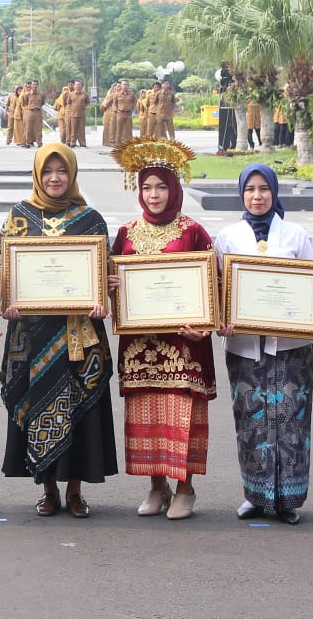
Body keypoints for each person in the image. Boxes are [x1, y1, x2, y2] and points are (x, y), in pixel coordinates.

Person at [0, 143, 117, 519]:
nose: (54, 178)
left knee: (78, 410)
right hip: (32, 335)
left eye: (61, 171)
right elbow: (5, 273)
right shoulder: (18, 217)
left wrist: (102, 299)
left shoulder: (90, 219)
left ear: (72, 174)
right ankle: (48, 489)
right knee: (37, 406)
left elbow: (105, 270)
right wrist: (8, 300)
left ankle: (76, 491)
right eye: (47, 171)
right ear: (37, 174)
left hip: (77, 335)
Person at [213, 163, 313, 525]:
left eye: (264, 188)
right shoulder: (227, 237)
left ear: (274, 192)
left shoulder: (295, 235)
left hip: (291, 348)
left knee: (291, 421)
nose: (258, 196)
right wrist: (222, 319)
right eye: (250, 189)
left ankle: (289, 499)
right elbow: (216, 289)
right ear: (241, 194)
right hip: (245, 347)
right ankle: (255, 496)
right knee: (251, 421)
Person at [109, 137, 217, 521]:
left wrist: (203, 325)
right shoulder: (125, 233)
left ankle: (185, 487)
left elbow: (212, 286)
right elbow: (111, 281)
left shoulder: (194, 232)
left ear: (175, 190)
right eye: (146, 187)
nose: (153, 195)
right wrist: (110, 286)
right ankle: (157, 486)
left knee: (180, 414)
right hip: (140, 346)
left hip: (183, 346)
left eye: (161, 187)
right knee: (147, 415)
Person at [19, 80, 45, 147]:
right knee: (28, 128)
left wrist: (37, 107)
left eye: (36, 84)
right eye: (33, 84)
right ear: (31, 85)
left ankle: (39, 142)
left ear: (37, 85)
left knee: (38, 128)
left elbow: (42, 103)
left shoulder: (41, 94)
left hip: (38, 112)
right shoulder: (27, 94)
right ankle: (28, 142)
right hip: (30, 112)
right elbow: (25, 103)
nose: (34, 86)